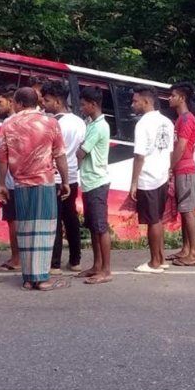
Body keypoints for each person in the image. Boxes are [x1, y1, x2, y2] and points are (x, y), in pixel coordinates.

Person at [0, 87, 71, 291]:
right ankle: (42, 277)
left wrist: (1, 184)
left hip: (20, 184)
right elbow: (60, 155)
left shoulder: (9, 124)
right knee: (45, 231)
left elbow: (2, 158)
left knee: (25, 230)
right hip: (45, 182)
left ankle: (29, 278)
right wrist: (65, 181)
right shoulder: (50, 122)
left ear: (18, 103)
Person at [41, 79, 86, 275]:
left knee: (55, 220)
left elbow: (49, 151)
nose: (44, 103)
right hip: (73, 176)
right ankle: (75, 260)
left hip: (55, 177)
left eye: (47, 100)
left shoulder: (52, 123)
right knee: (71, 218)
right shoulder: (79, 121)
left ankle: (54, 263)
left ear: (58, 101)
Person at [130, 85, 174, 274]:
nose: (132, 105)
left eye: (135, 101)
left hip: (148, 177)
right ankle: (161, 258)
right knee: (158, 219)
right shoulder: (167, 122)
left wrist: (133, 182)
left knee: (152, 221)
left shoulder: (143, 124)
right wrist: (168, 170)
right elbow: (169, 151)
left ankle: (154, 262)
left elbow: (139, 156)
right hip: (162, 175)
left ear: (146, 101)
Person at [76, 87, 112, 284]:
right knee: (93, 226)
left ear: (93, 104)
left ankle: (106, 270)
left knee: (100, 227)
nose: (81, 108)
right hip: (90, 181)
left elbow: (81, 152)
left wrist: (79, 150)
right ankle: (97, 265)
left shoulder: (99, 126)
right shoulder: (91, 123)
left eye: (83, 104)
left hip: (97, 181)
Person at [166, 82, 195, 267]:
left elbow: (181, 146)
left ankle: (193, 253)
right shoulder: (180, 119)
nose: (169, 98)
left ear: (182, 98)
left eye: (172, 95)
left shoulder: (187, 119)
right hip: (182, 169)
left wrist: (171, 166)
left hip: (185, 170)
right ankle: (185, 249)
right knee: (184, 211)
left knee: (187, 212)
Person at [0, 83, 21, 273]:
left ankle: (16, 259)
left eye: (0, 101)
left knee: (13, 219)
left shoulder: (9, 124)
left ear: (11, 102)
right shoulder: (31, 121)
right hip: (27, 179)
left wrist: (0, 183)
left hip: (11, 179)